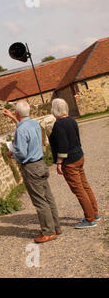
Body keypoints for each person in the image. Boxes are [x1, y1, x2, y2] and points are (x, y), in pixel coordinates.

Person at [3, 102, 61, 243]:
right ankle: (56, 226)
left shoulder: (21, 130)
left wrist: (12, 153)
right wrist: (13, 118)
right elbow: (24, 127)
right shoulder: (34, 124)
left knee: (40, 201)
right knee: (48, 197)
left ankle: (48, 232)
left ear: (17, 113)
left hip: (30, 167)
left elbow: (22, 153)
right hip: (40, 163)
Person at [48, 98, 100, 229]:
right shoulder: (72, 120)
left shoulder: (59, 124)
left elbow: (63, 146)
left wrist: (59, 163)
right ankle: (94, 212)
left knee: (79, 190)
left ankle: (89, 219)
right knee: (85, 186)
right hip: (78, 155)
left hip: (70, 160)